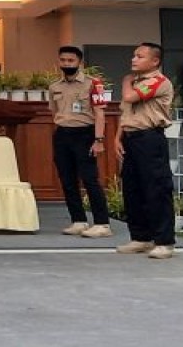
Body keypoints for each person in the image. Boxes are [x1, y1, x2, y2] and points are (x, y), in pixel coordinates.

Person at [115, 42, 177, 259]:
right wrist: (117, 138)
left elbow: (130, 98)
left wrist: (125, 81)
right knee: (133, 189)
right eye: (134, 55)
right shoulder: (136, 82)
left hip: (150, 139)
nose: (133, 59)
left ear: (155, 61)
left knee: (156, 189)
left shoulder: (158, 81)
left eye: (140, 56)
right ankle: (140, 237)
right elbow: (126, 114)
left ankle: (164, 241)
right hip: (131, 138)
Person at [50, 45, 113, 239]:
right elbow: (54, 111)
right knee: (67, 180)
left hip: (85, 134)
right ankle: (78, 220)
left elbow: (100, 113)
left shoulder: (94, 83)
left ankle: (102, 223)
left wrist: (99, 139)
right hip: (62, 134)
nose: (66, 64)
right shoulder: (54, 86)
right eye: (63, 60)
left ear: (79, 62)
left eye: (71, 61)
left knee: (90, 179)